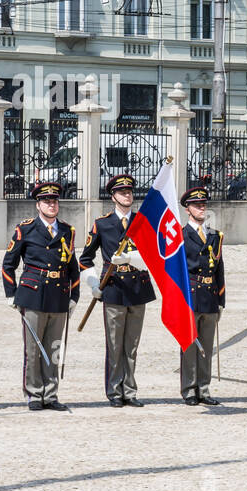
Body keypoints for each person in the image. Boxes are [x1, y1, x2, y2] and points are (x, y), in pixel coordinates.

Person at [77, 174, 155, 407]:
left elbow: (153, 257)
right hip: (113, 289)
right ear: (113, 196)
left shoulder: (142, 222)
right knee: (114, 344)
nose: (127, 195)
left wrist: (131, 258)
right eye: (122, 192)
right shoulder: (103, 224)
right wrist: (92, 283)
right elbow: (85, 259)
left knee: (131, 345)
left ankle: (129, 390)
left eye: (130, 191)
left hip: (137, 288)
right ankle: (113, 391)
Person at [2, 181, 80, 411]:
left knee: (54, 346)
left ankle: (51, 393)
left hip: (58, 294)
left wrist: (74, 295)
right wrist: (12, 294)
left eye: (55, 201)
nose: (52, 205)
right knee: (34, 348)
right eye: (47, 201)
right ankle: (34, 393)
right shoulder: (25, 229)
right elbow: (8, 264)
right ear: (38, 205)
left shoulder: (67, 230)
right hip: (33, 294)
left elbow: (73, 267)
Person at [180, 185, 225, 405]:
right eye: (196, 205)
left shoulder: (215, 236)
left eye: (203, 205)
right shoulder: (181, 235)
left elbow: (220, 270)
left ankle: (204, 389)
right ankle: (189, 389)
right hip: (191, 296)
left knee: (206, 346)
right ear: (187, 209)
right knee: (190, 346)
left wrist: (221, 300)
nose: (201, 208)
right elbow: (176, 271)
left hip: (209, 296)